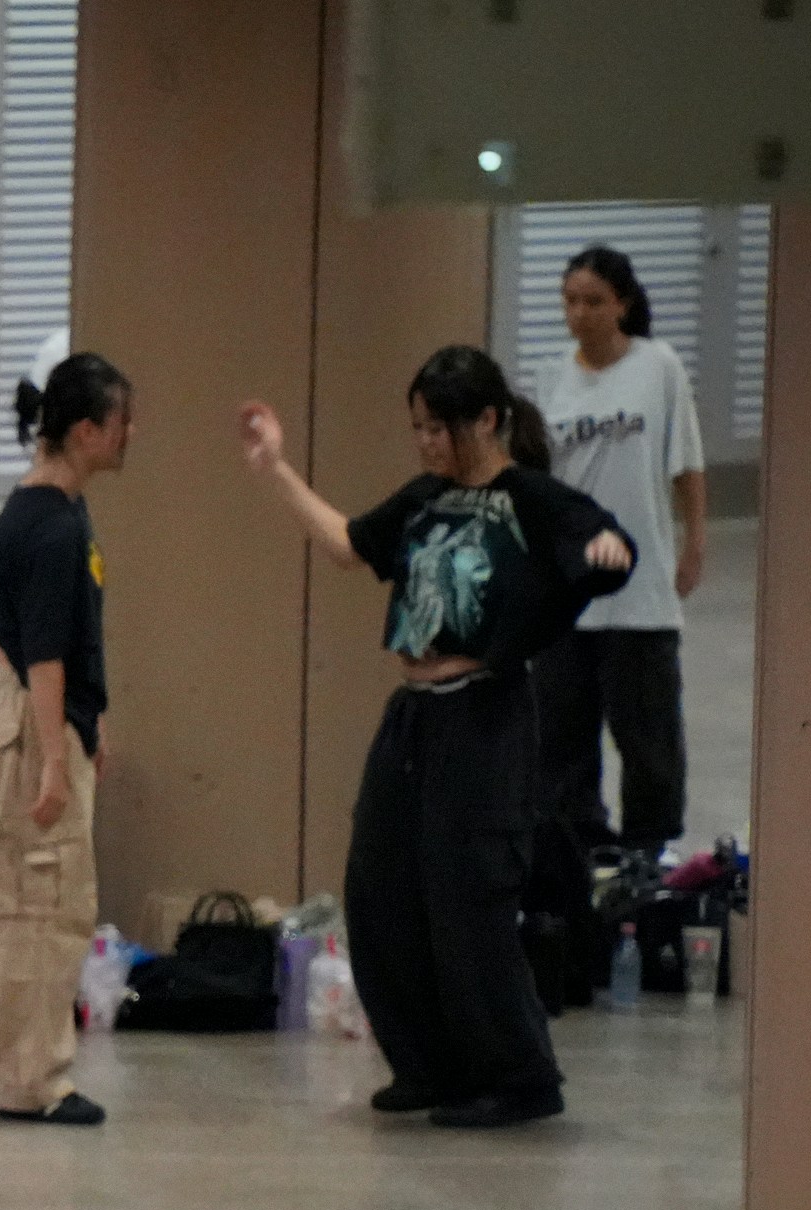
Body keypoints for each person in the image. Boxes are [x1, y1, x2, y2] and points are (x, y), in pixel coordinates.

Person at [240, 348, 636, 1128]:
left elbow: (602, 542)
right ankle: (427, 1065)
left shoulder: (529, 498)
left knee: (469, 898)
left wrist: (606, 551)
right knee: (379, 887)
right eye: (417, 428)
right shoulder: (426, 497)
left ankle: (518, 1077)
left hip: (484, 714)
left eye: (438, 428)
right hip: (414, 715)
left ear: (486, 420)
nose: (425, 443)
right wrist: (275, 470)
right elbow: (350, 544)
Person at [0, 351, 134, 1127]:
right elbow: (45, 655)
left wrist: (89, 722)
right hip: (28, 729)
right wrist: (54, 763)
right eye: (121, 421)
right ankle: (34, 1082)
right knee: (42, 910)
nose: (129, 434)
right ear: (85, 431)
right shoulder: (51, 527)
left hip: (3, 717)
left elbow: (1, 604)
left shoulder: (32, 511)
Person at [531, 245, 709, 857]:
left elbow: (687, 463)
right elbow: (539, 480)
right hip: (568, 589)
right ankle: (576, 856)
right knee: (562, 742)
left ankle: (649, 856)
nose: (579, 314)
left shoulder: (659, 366)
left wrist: (694, 542)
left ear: (623, 305)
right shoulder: (551, 377)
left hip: (640, 588)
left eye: (594, 302)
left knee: (649, 738)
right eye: (570, 302)